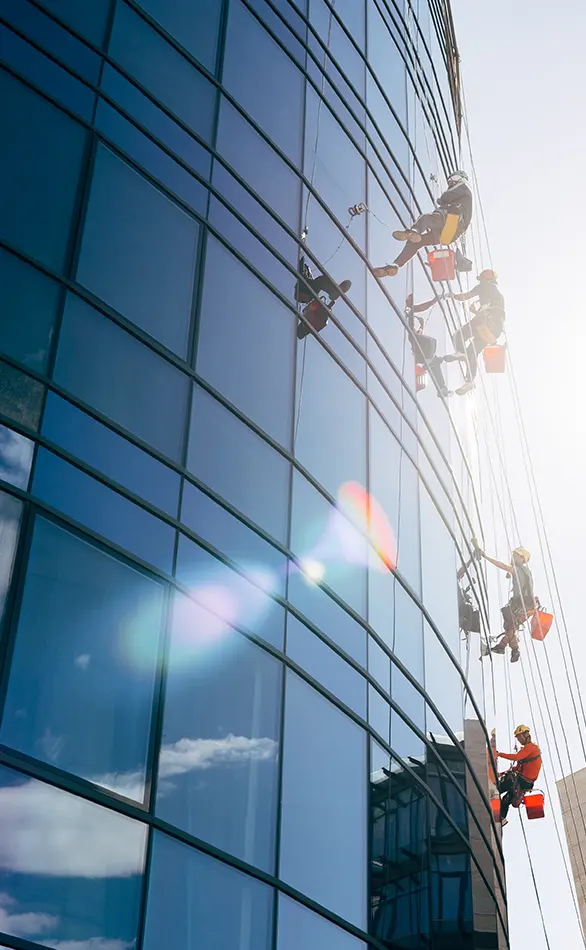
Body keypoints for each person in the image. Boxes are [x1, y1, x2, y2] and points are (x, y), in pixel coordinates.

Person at [372, 171, 473, 278]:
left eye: (451, 180)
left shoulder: (463, 186)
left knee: (426, 218)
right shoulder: (464, 197)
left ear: (459, 178)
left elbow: (446, 197)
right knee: (415, 243)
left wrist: (441, 200)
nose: (450, 182)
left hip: (452, 219)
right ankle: (396, 265)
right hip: (449, 235)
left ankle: (415, 231)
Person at [441, 270, 506, 395]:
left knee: (458, 335)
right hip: (494, 329)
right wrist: (477, 312)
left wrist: (452, 295)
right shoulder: (497, 294)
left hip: (484, 322)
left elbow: (465, 296)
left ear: (483, 279)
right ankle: (469, 382)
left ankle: (460, 352)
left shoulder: (483, 286)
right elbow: (496, 311)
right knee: (472, 352)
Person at [476, 545, 535, 663]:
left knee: (510, 623)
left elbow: (502, 566)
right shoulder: (526, 571)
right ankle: (507, 648)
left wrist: (485, 556)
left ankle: (506, 647)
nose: (513, 557)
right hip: (528, 605)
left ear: (523, 559)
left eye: (516, 556)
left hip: (521, 604)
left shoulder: (518, 570)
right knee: (510, 627)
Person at [295, 256, 351, 339]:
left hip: (305, 290)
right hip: (303, 289)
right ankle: (334, 291)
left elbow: (310, 309)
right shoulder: (311, 321)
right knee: (321, 281)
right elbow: (311, 310)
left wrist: (322, 307)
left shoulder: (309, 317)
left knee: (320, 282)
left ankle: (334, 291)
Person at [497, 724, 542, 824]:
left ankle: (493, 791)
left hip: (523, 781)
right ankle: (501, 818)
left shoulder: (531, 747)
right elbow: (517, 768)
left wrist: (499, 754)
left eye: (520, 737)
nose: (519, 740)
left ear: (526, 735)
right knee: (506, 799)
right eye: (518, 738)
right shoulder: (526, 750)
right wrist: (502, 773)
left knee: (503, 784)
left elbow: (516, 757)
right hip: (524, 782)